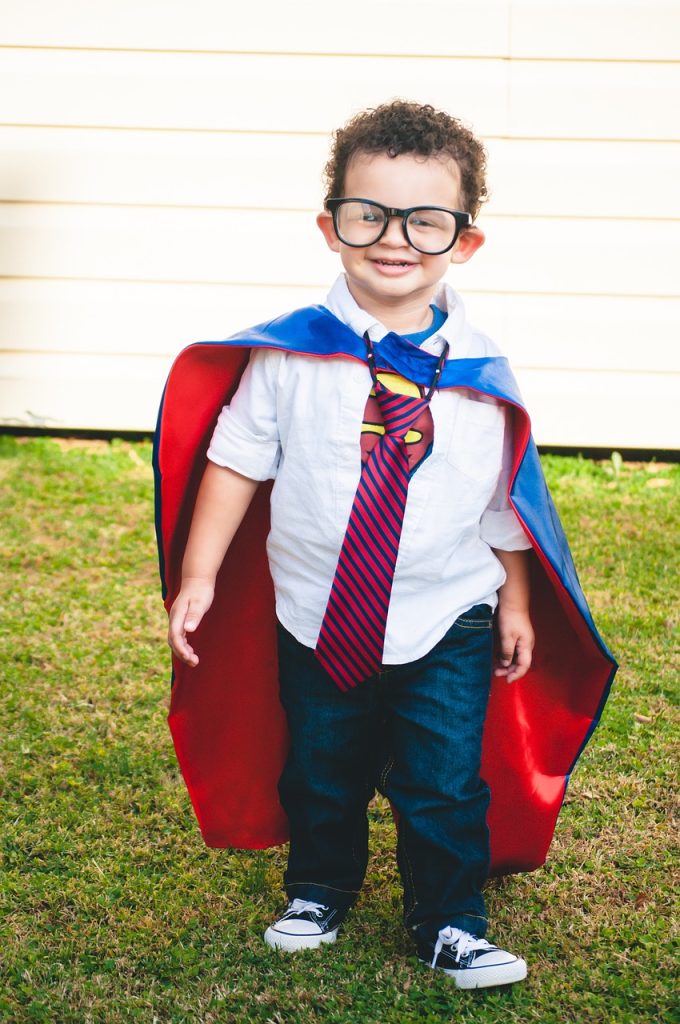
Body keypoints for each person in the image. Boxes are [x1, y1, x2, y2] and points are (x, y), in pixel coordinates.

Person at [159, 101, 615, 989]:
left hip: (449, 614)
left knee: (443, 782)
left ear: (465, 243)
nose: (394, 238)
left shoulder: (482, 374)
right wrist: (202, 573)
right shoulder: (288, 357)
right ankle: (319, 889)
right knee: (322, 765)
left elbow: (503, 499)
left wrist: (516, 598)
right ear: (331, 226)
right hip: (316, 612)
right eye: (369, 213)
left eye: (426, 220)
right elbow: (236, 462)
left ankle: (449, 919)